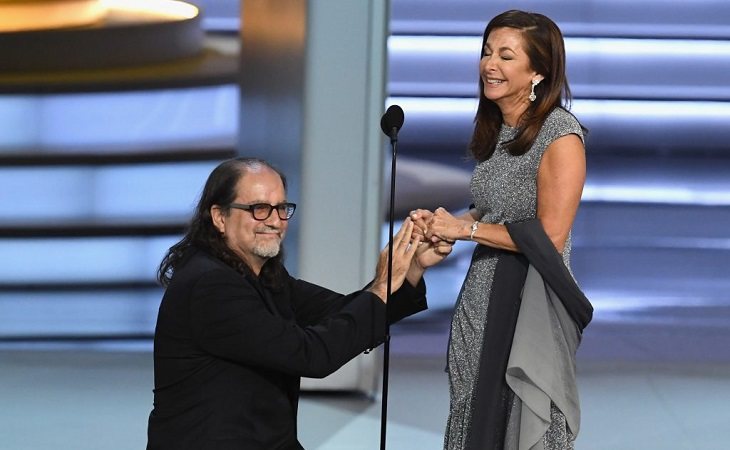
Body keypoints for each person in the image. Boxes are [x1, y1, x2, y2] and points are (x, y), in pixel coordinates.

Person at [146, 157, 452, 450]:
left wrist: (409, 271)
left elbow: (341, 311)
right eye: (259, 209)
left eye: (281, 208)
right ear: (219, 217)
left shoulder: (263, 274)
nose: (275, 221)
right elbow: (311, 355)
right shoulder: (211, 286)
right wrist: (383, 285)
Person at [410, 10, 593, 450]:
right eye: (487, 52)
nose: (490, 65)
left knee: (524, 416)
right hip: (482, 294)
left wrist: (468, 231)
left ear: (537, 72)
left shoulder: (560, 135)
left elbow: (549, 236)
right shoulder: (500, 130)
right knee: (471, 405)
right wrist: (445, 225)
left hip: (530, 300)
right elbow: (492, 212)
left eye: (506, 56)